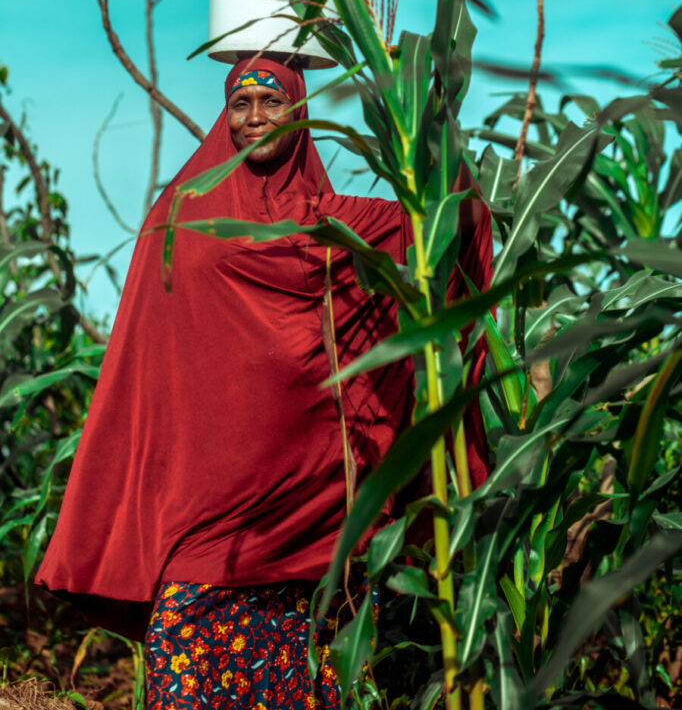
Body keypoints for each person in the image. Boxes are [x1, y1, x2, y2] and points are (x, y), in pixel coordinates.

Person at [36, 57, 492, 709]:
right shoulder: (180, 219)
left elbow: (454, 232)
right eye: (241, 104)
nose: (254, 119)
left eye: (271, 103)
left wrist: (433, 113)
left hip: (302, 524)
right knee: (184, 683)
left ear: (300, 110)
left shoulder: (333, 225)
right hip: (200, 526)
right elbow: (146, 365)